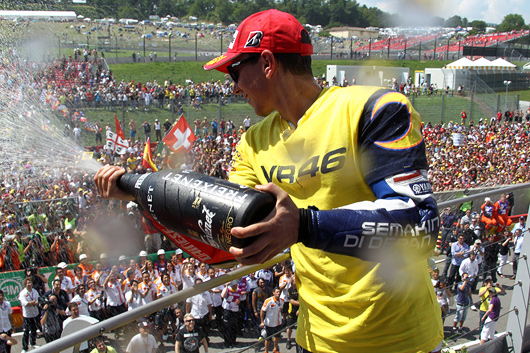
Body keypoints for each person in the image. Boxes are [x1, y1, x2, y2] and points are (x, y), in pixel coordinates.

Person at [95, 9, 442, 352]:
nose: (233, 88)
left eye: (234, 71)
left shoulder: (375, 107)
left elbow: (421, 225)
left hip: (401, 339)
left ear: (266, 63)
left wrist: (303, 226)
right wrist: (141, 195)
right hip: (316, 340)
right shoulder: (253, 142)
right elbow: (226, 246)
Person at [19, 277, 40, 353]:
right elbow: (25, 304)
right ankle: (24, 347)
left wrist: (35, 302)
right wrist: (33, 303)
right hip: (27, 315)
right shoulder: (22, 293)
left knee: (34, 329)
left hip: (35, 313)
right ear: (25, 284)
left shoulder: (35, 291)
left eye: (31, 283)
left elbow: (38, 300)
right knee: (26, 331)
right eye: (28, 283)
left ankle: (33, 343)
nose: (30, 284)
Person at [261, 287, 285, 353]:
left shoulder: (282, 301)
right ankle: (266, 351)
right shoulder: (268, 301)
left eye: (279, 292)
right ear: (273, 292)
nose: (278, 293)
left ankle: (275, 349)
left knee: (277, 337)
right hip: (269, 323)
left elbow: (281, 310)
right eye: (277, 292)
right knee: (268, 339)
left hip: (278, 323)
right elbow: (262, 310)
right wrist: (262, 321)